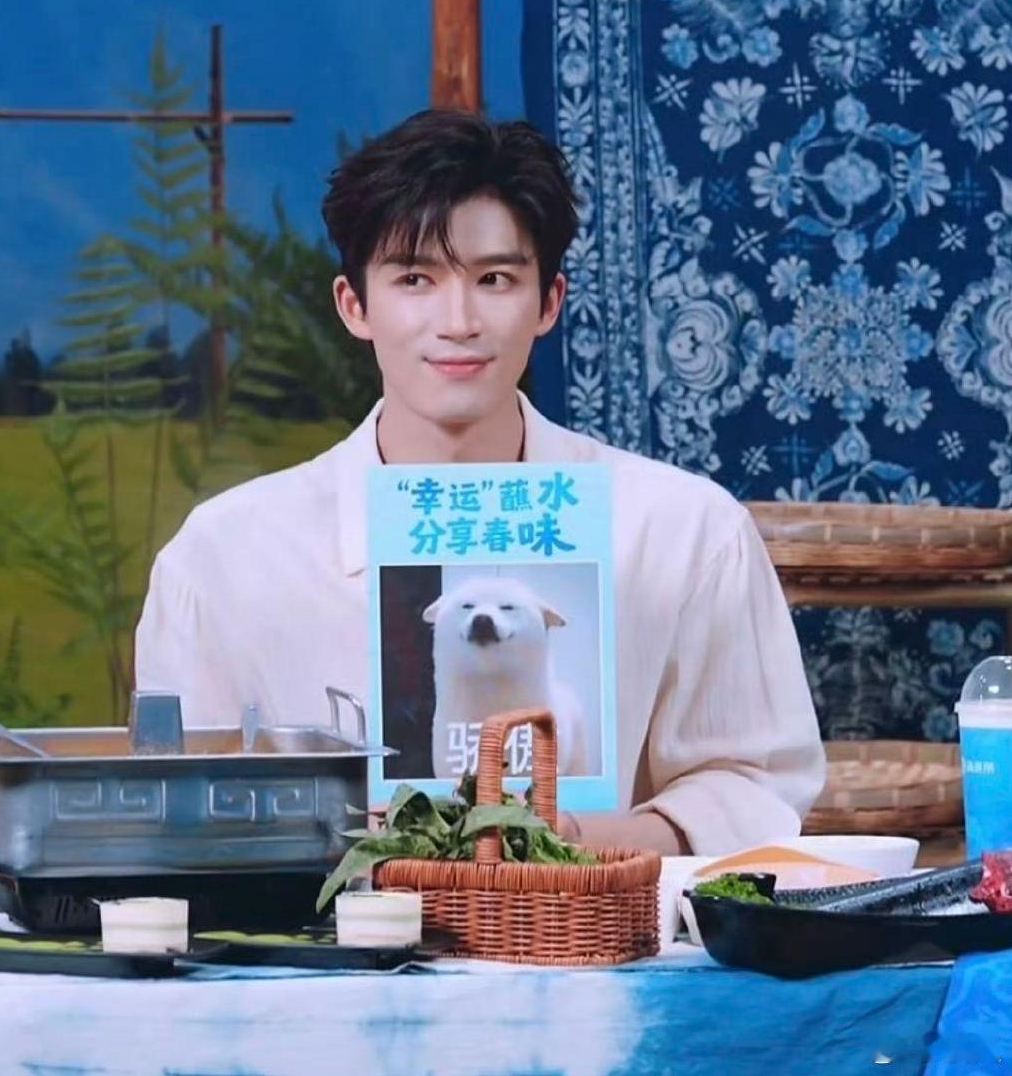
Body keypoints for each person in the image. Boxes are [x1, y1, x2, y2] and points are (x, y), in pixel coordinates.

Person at [135, 108, 825, 854]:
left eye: (495, 279)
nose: (458, 319)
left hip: (593, 927)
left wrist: (572, 841)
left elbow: (753, 783)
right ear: (354, 306)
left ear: (549, 302)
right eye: (414, 279)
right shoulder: (223, 554)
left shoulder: (684, 529)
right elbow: (182, 816)